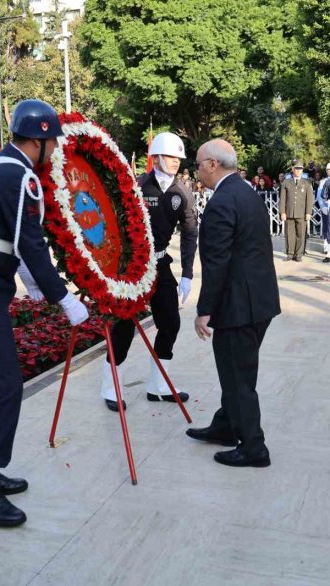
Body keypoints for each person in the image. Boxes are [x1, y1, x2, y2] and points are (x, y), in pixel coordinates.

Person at [0, 99, 89, 528]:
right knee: (5, 384)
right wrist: (63, 298)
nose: (55, 151)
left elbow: (9, 240)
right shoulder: (18, 176)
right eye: (52, 144)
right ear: (39, 140)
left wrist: (34, 291)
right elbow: (30, 245)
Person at [189, 139, 281, 467]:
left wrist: (204, 310)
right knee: (235, 371)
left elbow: (217, 262)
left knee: (237, 378)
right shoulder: (244, 191)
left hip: (238, 307)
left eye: (198, 164)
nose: (195, 170)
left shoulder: (222, 202)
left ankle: (254, 448)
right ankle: (226, 425)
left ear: (213, 164)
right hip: (259, 300)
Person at [98, 131, 197, 411]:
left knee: (171, 323)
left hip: (161, 264)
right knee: (125, 327)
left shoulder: (182, 192)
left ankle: (158, 385)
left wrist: (187, 274)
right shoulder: (137, 187)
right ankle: (110, 387)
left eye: (178, 158)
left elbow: (190, 233)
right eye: (169, 157)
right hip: (132, 268)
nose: (176, 162)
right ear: (154, 158)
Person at [279, 159, 314, 261]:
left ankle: (298, 254)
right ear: (292, 169)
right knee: (289, 233)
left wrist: (308, 212)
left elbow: (310, 199)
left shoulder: (307, 183)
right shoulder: (286, 182)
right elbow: (282, 199)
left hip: (302, 213)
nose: (298, 171)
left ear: (302, 170)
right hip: (289, 212)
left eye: (300, 169)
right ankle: (290, 254)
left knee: (300, 234)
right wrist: (282, 212)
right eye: (296, 169)